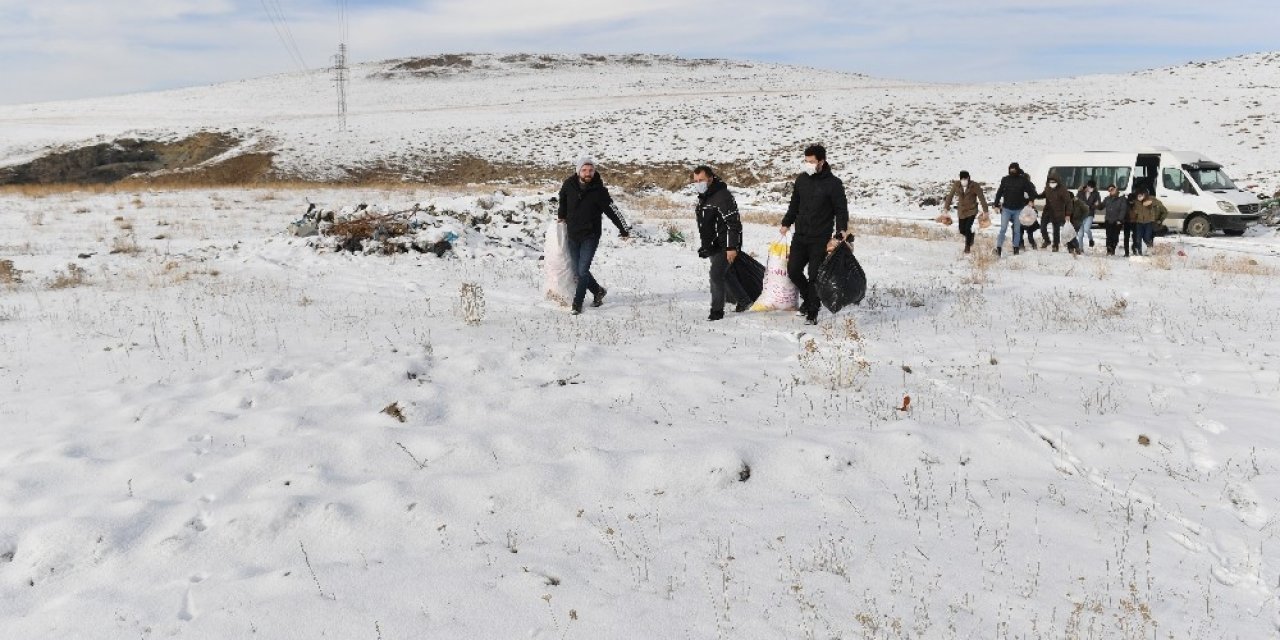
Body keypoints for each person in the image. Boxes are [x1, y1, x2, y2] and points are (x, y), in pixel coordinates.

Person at [779, 144, 850, 325]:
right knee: (793, 271)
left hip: (820, 237)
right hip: (800, 235)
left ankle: (812, 311)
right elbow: (794, 204)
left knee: (814, 275)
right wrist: (787, 222)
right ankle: (809, 298)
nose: (808, 164)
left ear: (821, 162)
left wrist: (841, 231)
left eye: (811, 161)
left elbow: (841, 210)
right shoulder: (801, 180)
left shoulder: (834, 184)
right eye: (806, 161)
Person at [557, 154, 630, 314]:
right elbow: (562, 199)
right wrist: (561, 216)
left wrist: (624, 229)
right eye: (584, 170)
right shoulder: (569, 185)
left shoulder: (599, 191)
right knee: (577, 271)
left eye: (590, 170)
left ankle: (577, 304)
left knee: (582, 271)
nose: (588, 173)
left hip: (590, 236)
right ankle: (598, 291)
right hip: (572, 235)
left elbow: (613, 211)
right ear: (578, 171)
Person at [692, 165, 744, 321]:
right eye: (695, 181)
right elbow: (706, 224)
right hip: (713, 245)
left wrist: (731, 247)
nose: (698, 183)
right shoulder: (704, 196)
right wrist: (706, 245)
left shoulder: (723, 196)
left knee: (715, 275)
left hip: (725, 245)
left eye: (701, 180)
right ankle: (743, 300)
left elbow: (733, 224)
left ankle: (716, 311)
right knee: (724, 274)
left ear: (710, 178)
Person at [992, 162, 1037, 256]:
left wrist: (1031, 200)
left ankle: (1016, 248)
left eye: (1014, 169)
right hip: (1006, 209)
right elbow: (999, 192)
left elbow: (1031, 191)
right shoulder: (1005, 179)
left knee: (1017, 230)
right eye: (1010, 169)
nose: (1012, 171)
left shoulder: (1023, 180)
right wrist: (996, 204)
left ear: (1017, 169)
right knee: (1003, 229)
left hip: (1018, 210)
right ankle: (998, 248)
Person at [942, 170, 990, 254]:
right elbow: (950, 196)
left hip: (972, 210)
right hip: (962, 211)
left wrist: (985, 210)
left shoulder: (974, 186)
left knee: (967, 228)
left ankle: (967, 247)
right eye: (962, 179)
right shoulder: (957, 185)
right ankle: (971, 236)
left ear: (968, 178)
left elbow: (981, 198)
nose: (964, 180)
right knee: (962, 230)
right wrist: (946, 208)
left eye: (965, 179)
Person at [1038, 172, 1073, 252]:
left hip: (1058, 212)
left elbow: (1068, 202)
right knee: (1042, 227)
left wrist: (1068, 214)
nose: (1052, 183)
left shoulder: (1062, 190)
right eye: (1050, 182)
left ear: (1057, 182)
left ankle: (1055, 245)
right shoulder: (1047, 187)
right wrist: (1035, 196)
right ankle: (1047, 240)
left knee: (1056, 230)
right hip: (1047, 211)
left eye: (1053, 182)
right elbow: (1043, 195)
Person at [1129, 188, 1167, 257]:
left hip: (1148, 223)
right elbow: (1131, 206)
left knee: (1147, 237)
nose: (1139, 197)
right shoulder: (1136, 202)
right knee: (1138, 238)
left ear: (1144, 195)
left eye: (1140, 196)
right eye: (1138, 196)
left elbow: (1163, 210)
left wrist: (1159, 220)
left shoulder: (1151, 200)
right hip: (1139, 222)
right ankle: (1139, 252)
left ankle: (1150, 249)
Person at [1072, 180, 1101, 255]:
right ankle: (1080, 249)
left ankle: (1091, 239)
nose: (1091, 189)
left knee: (1086, 228)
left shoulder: (1096, 194)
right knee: (1080, 234)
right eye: (1090, 187)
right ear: (1087, 186)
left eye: (1092, 188)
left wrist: (1091, 206)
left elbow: (1098, 203)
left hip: (1090, 214)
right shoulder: (1080, 192)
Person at [1101, 184, 1129, 256]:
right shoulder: (1107, 198)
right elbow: (1101, 206)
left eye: (1112, 189)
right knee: (1108, 235)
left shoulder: (1122, 198)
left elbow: (1123, 210)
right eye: (1109, 190)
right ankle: (1109, 250)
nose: (1111, 191)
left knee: (1115, 236)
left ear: (1116, 189)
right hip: (1108, 220)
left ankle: (1113, 248)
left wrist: (1120, 219)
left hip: (1117, 221)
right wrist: (1097, 205)